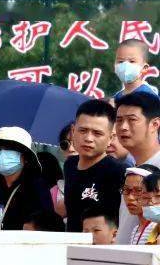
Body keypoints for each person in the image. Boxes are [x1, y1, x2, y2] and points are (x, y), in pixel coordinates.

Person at [0, 127, 54, 231]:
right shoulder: (2, 189)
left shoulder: (35, 188)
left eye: (9, 149)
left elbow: (43, 231)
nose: (2, 154)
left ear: (25, 157)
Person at [63, 99, 124, 232]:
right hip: (71, 246)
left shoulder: (118, 172)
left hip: (102, 249)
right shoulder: (70, 165)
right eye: (83, 130)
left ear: (110, 138)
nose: (88, 138)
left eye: (97, 133)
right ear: (73, 131)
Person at [115, 91, 160, 242]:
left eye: (131, 120)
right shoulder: (131, 170)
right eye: (119, 120)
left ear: (154, 124)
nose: (123, 127)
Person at [121, 165, 160, 244]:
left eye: (138, 190)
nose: (130, 197)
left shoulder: (157, 227)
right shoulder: (135, 229)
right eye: (126, 190)